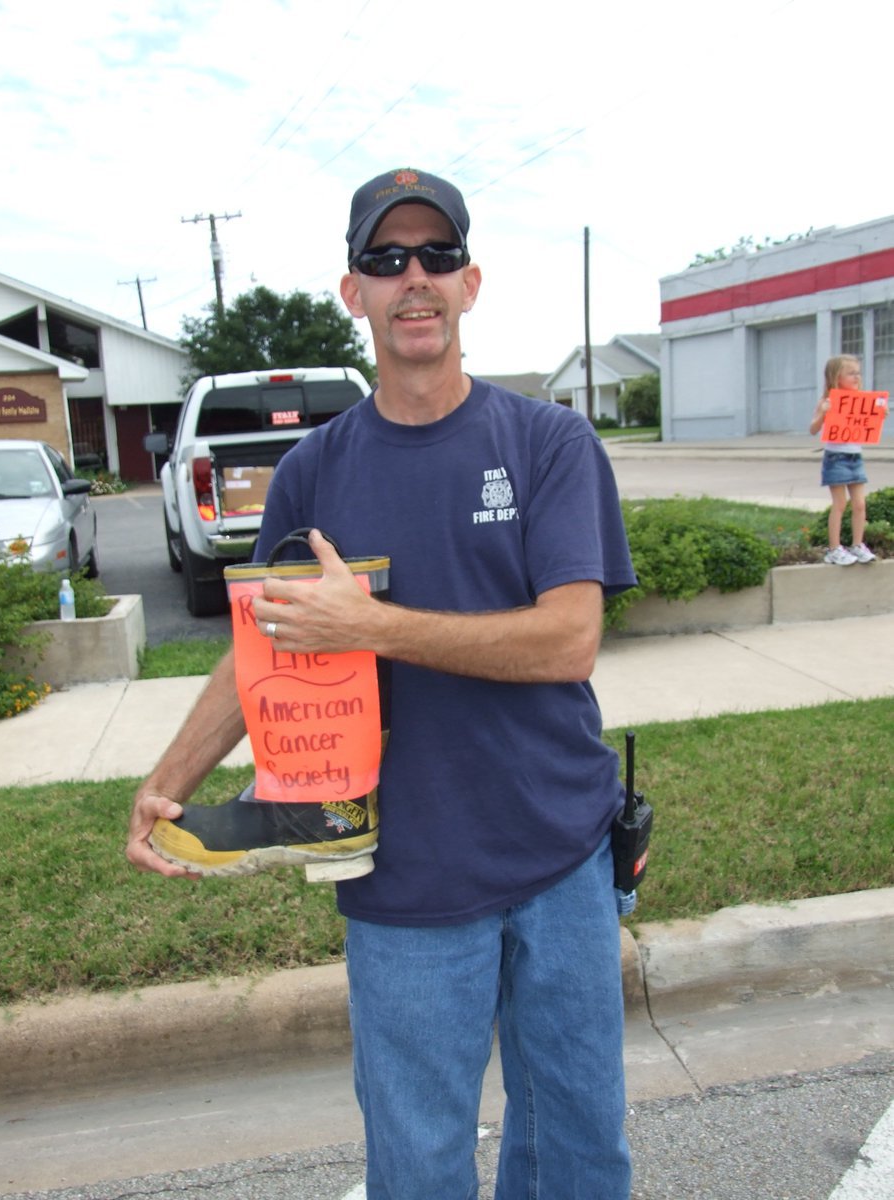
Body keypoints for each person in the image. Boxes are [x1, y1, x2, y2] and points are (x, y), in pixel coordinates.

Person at [127, 167, 638, 1199]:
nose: (416, 278)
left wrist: (371, 626)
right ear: (353, 289)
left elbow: (566, 642)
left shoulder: (548, 444)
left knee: (581, 1150)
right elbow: (261, 651)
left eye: (437, 257)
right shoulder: (315, 471)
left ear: (472, 283)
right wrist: (169, 780)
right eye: (387, 259)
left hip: (560, 853)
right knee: (416, 1165)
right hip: (402, 881)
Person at [809, 355, 882, 565]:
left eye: (858, 372)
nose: (857, 376)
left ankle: (857, 544)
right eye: (851, 373)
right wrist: (823, 414)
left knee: (860, 504)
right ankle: (834, 548)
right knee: (839, 504)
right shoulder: (827, 401)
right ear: (835, 377)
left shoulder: (861, 400)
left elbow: (868, 423)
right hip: (836, 457)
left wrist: (879, 414)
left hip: (855, 456)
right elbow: (813, 429)